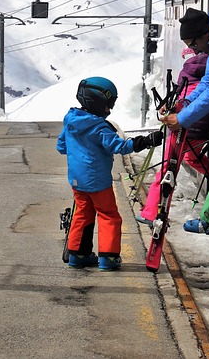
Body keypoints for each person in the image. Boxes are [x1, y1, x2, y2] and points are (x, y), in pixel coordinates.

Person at [56, 76, 163, 271]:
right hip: (98, 181)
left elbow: (61, 147)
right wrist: (146, 141)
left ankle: (78, 254)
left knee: (82, 213)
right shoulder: (99, 127)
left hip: (76, 180)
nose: (109, 110)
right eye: (107, 105)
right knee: (108, 215)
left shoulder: (70, 120)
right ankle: (109, 257)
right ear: (96, 102)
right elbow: (120, 146)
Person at [136, 50, 209, 226]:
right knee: (192, 157)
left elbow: (181, 103)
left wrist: (168, 109)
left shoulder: (186, 78)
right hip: (203, 132)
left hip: (181, 129)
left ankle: (151, 213)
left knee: (168, 168)